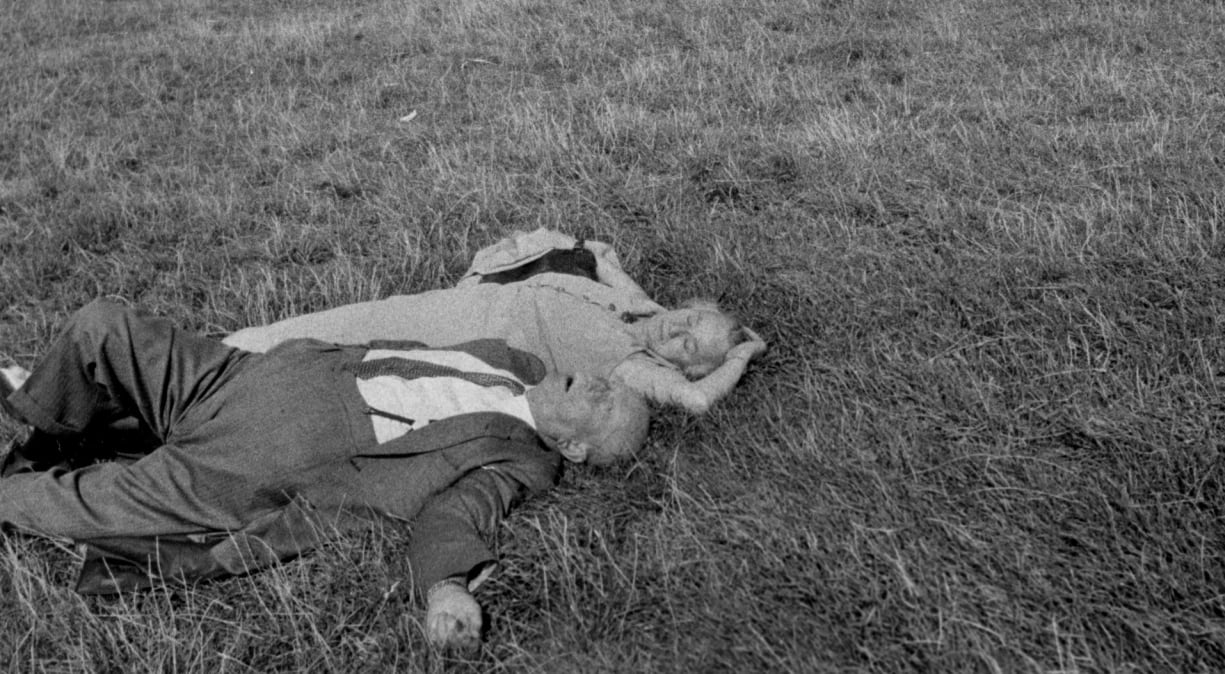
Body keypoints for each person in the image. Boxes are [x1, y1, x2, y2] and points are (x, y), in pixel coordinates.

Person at [0, 299, 648, 652]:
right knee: (103, 326)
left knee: (86, 501)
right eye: (604, 384)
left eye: (600, 402)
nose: (592, 382)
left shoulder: (523, 458)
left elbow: (457, 514)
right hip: (249, 375)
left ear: (576, 447)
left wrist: (446, 588)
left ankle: (21, 475)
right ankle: (37, 429)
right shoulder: (511, 359)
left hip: (259, 463)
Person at [225, 228, 768, 415]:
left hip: (458, 339)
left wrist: (742, 356)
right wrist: (597, 257)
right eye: (690, 318)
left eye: (690, 349)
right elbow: (609, 266)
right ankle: (215, 354)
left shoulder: (633, 365)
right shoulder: (643, 310)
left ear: (688, 370)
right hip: (452, 304)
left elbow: (696, 403)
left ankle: (209, 374)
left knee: (331, 352)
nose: (678, 332)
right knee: (333, 322)